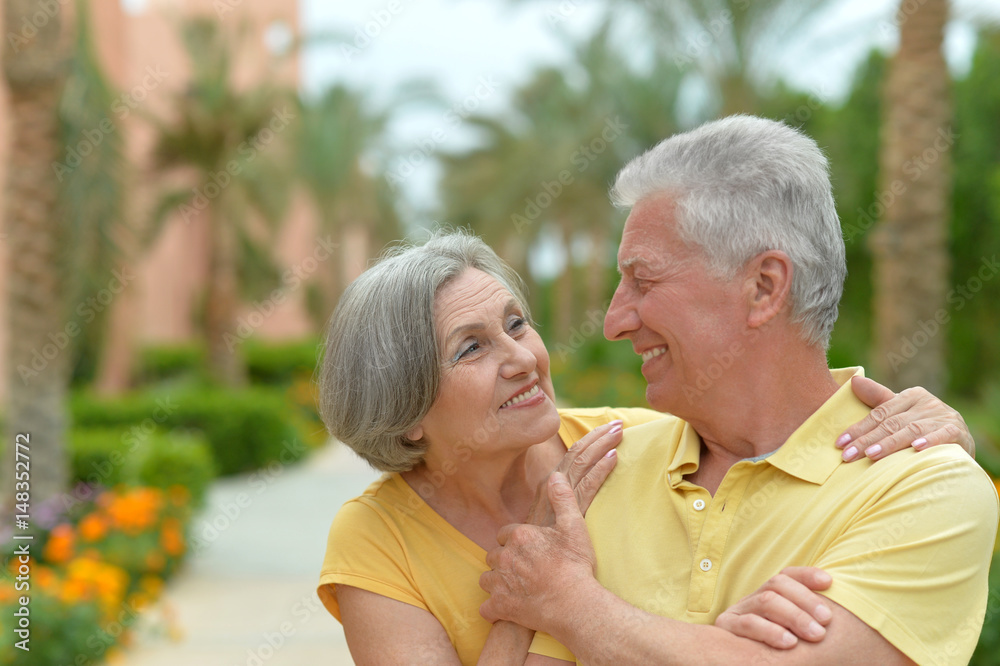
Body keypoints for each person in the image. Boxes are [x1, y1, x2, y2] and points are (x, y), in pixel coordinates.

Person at [478, 115, 999, 665]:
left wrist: (573, 606)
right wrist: (716, 649)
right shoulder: (598, 469)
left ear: (764, 287)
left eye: (644, 280)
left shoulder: (927, 485)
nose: (614, 321)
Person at [316, 230, 975, 665]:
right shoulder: (376, 537)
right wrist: (536, 593)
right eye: (472, 347)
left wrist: (933, 438)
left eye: (517, 324)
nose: (522, 358)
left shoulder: (627, 447)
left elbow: (781, 424)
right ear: (405, 413)